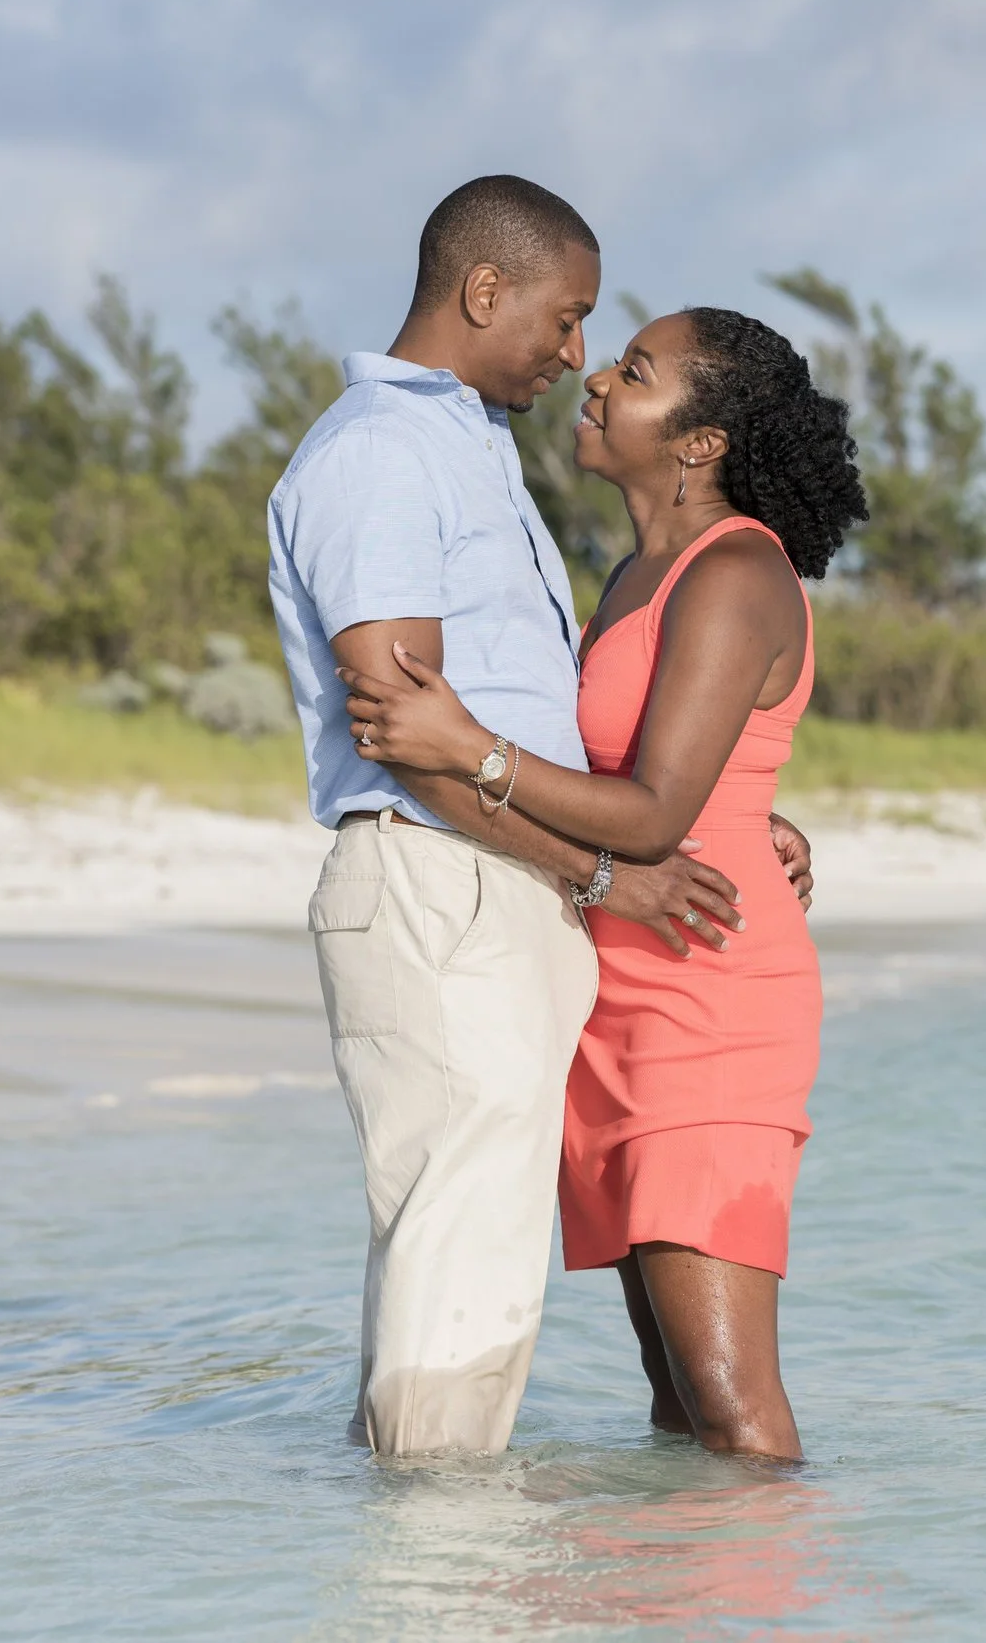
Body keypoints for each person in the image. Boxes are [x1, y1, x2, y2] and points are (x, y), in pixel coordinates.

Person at [267, 176, 813, 1458]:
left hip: (616, 943)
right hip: (476, 894)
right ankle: (439, 1582)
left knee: (501, 1298)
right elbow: (413, 735)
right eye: (573, 324)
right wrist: (596, 875)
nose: (581, 361)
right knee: (462, 1283)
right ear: (483, 293)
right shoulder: (390, 450)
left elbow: (650, 766)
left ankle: (574, 1588)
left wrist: (746, 821)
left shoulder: (484, 459)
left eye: (618, 354)